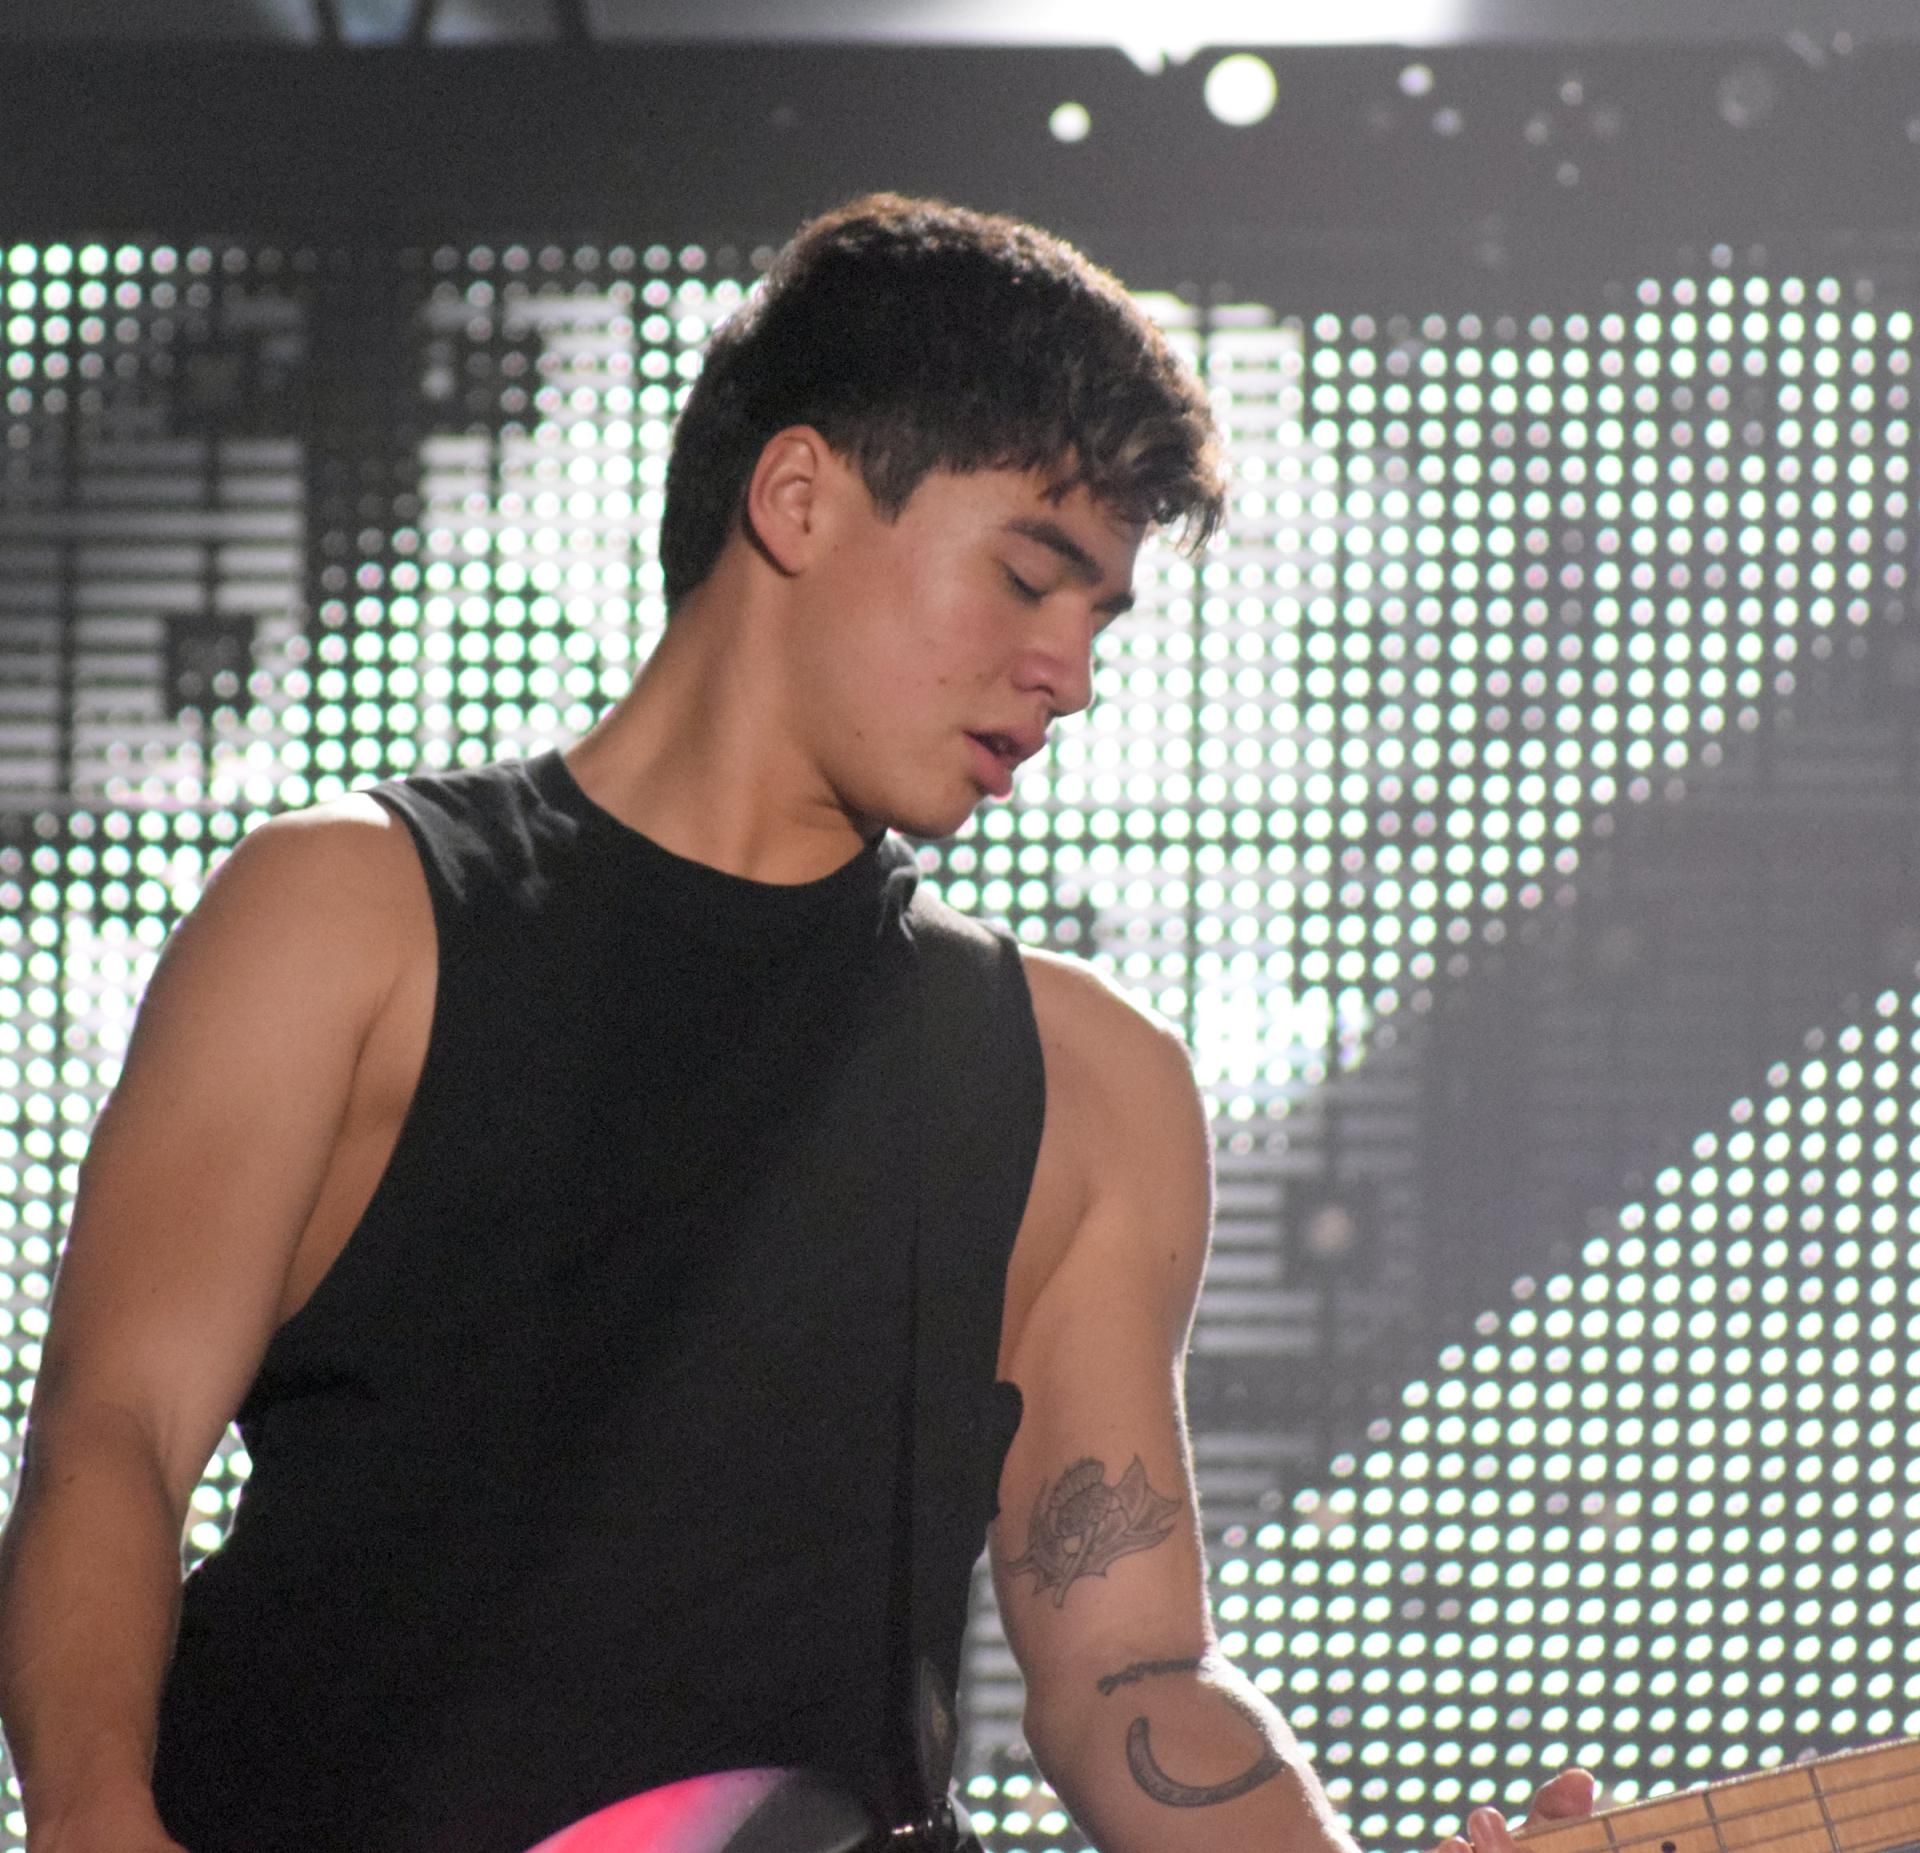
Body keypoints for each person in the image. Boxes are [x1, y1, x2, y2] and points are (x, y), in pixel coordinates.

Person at [0, 193, 1591, 1853]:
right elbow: (114, 1440)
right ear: (798, 498)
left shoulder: (1083, 1086)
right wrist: (99, 1823)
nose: (1070, 670)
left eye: (1100, 618)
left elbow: (1130, 1669)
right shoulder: (349, 914)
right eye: (1028, 578)